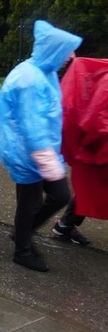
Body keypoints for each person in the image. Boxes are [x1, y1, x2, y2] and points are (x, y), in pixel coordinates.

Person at [0, 20, 81, 272]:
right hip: (26, 153)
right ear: (52, 51)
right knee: (29, 204)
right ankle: (22, 249)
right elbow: (32, 126)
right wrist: (48, 161)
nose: (70, 57)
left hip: (42, 152)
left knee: (60, 196)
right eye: (65, 52)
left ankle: (23, 233)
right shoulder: (29, 78)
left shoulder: (46, 71)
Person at [52, 56, 108, 243]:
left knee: (94, 186)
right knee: (93, 186)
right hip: (99, 145)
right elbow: (95, 117)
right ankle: (66, 224)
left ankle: (66, 224)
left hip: (98, 145)